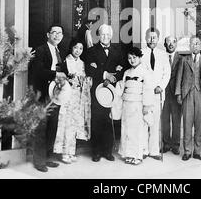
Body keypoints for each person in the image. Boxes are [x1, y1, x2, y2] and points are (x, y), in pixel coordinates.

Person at [85, 24, 126, 162]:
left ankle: (108, 151)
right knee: (97, 119)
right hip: (98, 89)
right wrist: (105, 74)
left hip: (112, 90)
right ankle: (96, 152)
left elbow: (123, 68)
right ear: (98, 35)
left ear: (111, 36)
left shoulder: (117, 50)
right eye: (103, 34)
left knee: (109, 120)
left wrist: (115, 75)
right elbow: (89, 70)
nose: (105, 37)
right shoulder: (91, 50)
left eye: (108, 35)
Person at [31, 24, 67, 172]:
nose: (57, 35)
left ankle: (48, 157)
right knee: (41, 129)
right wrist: (55, 75)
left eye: (60, 33)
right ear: (48, 34)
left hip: (56, 94)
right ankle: (39, 161)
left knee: (52, 127)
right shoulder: (40, 50)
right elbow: (37, 71)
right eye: (54, 33)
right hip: (43, 95)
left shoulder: (60, 51)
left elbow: (63, 70)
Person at [53, 39, 92, 164]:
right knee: (66, 123)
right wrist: (68, 80)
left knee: (74, 124)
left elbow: (85, 79)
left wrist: (85, 81)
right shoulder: (65, 62)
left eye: (80, 48)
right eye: (75, 48)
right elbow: (59, 79)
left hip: (78, 96)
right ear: (71, 48)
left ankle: (71, 151)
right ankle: (64, 152)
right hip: (67, 95)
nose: (78, 51)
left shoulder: (82, 63)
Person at [117, 47, 154, 165]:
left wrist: (146, 106)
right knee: (127, 129)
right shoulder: (126, 73)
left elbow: (148, 89)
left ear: (140, 58)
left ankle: (138, 155)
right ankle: (128, 154)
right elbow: (121, 88)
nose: (132, 60)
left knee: (138, 130)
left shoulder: (145, 72)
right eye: (129, 58)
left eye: (134, 57)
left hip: (138, 104)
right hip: (127, 104)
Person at [175, 35, 201, 161]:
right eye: (192, 43)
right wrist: (178, 94)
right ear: (189, 46)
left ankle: (198, 151)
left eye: (197, 43)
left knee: (199, 124)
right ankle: (187, 151)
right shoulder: (184, 60)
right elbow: (179, 78)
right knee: (187, 123)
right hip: (187, 94)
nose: (195, 46)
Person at [141, 27, 171, 160]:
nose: (152, 39)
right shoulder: (141, 53)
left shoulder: (163, 54)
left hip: (158, 93)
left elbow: (167, 73)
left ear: (158, 39)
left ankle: (154, 150)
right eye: (149, 37)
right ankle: (143, 149)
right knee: (144, 121)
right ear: (145, 38)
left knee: (155, 122)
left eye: (154, 37)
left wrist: (161, 86)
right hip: (145, 93)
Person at [162, 35, 182, 155]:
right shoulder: (161, 57)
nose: (171, 44)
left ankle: (175, 145)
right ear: (165, 44)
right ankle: (166, 144)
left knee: (176, 120)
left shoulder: (182, 58)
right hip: (164, 92)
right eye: (168, 42)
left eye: (173, 42)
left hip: (176, 93)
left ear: (176, 44)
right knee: (164, 119)